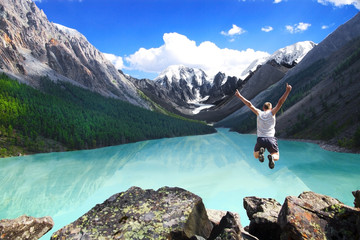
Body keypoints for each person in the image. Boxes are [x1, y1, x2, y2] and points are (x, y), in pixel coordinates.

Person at [235, 83, 292, 169]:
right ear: (271, 108)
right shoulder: (272, 113)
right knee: (276, 155)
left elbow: (249, 104)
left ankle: (261, 152)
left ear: (263, 108)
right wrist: (287, 91)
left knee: (255, 155)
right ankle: (272, 157)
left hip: (260, 139)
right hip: (270, 139)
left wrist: (239, 96)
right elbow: (280, 102)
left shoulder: (259, 113)